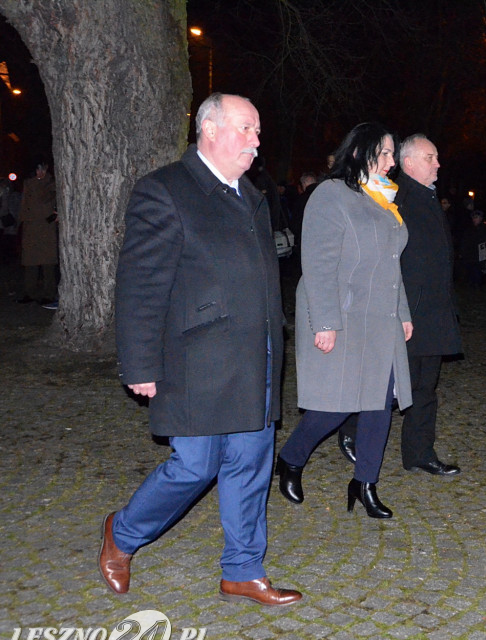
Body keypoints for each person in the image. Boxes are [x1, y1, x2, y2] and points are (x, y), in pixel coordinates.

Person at [101, 93, 300, 606]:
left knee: (251, 463)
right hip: (198, 360)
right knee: (195, 465)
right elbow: (141, 285)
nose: (256, 141)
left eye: (258, 131)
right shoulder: (165, 190)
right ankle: (122, 534)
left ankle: (242, 568)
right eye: (246, 128)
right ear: (209, 129)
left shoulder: (252, 197)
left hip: (254, 359)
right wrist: (140, 363)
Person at [275, 122, 413, 518]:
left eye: (392, 154)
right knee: (335, 404)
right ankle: (292, 457)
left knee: (379, 403)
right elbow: (317, 265)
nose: (391, 162)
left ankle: (365, 483)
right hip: (342, 312)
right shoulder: (331, 195)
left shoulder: (385, 201)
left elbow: (391, 265)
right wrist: (324, 322)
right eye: (383, 153)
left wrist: (402, 313)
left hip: (380, 316)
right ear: (358, 153)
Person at [336, 134, 462, 477]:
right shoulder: (396, 197)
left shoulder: (428, 195)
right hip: (402, 309)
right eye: (430, 157)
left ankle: (419, 452)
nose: (437, 163)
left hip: (433, 310)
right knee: (384, 384)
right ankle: (351, 431)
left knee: (425, 387)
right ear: (409, 163)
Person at [17, 161, 58, 305]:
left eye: (42, 169)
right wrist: (21, 222)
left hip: (46, 226)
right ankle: (30, 292)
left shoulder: (52, 183)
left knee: (48, 263)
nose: (40, 173)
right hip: (31, 226)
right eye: (37, 169)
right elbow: (24, 204)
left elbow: (51, 198)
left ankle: (49, 293)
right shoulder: (28, 183)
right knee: (30, 262)